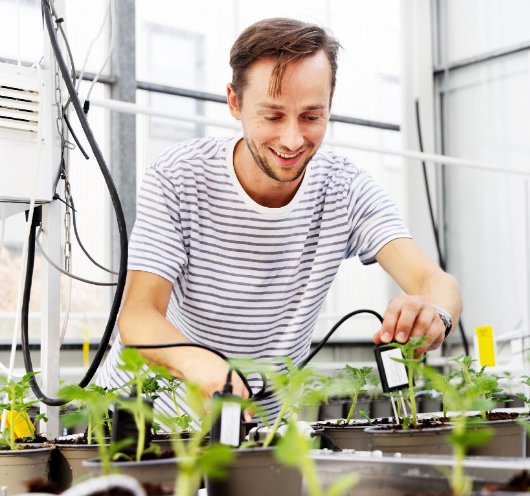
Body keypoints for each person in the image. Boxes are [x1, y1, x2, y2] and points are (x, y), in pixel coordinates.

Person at [97, 17, 461, 421]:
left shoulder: (346, 189)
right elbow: (138, 314)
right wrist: (204, 366)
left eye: (311, 116)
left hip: (257, 429)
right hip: (149, 423)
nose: (292, 140)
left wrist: (435, 314)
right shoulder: (179, 176)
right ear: (234, 102)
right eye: (272, 116)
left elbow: (436, 282)